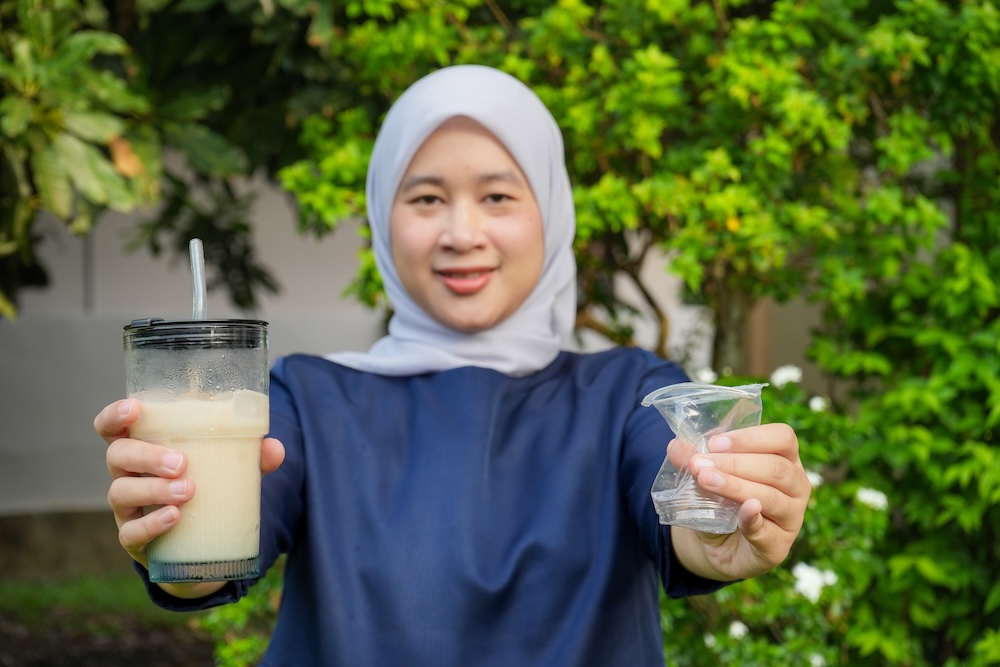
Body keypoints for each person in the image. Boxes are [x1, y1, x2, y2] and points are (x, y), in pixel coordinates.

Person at [95, 64, 810, 666]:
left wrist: (723, 524)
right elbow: (218, 552)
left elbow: (684, 492)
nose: (462, 232)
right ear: (383, 214)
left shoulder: (628, 396)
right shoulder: (305, 398)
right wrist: (167, 513)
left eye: (498, 196)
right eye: (427, 197)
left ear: (551, 212)